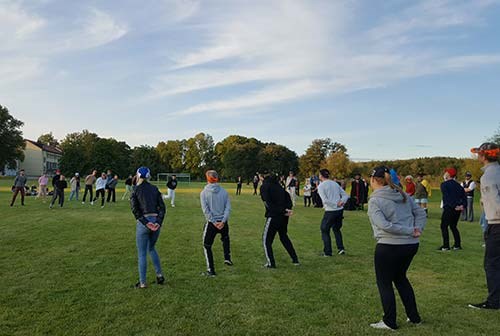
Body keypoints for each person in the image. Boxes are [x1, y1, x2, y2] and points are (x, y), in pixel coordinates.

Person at [367, 166, 426, 330]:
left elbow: (384, 225)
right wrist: (416, 229)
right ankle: (414, 317)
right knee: (400, 278)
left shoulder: (375, 200)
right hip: (410, 245)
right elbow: (420, 214)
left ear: (373, 180)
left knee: (384, 283)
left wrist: (413, 230)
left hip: (389, 246)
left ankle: (389, 321)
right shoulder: (403, 194)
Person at [468, 142, 500, 310]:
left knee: (492, 263)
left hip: (497, 224)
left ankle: (495, 301)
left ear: (484, 156)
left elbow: (495, 203)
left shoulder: (488, 176)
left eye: (479, 153)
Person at [130, 166, 166, 288]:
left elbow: (135, 210)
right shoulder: (155, 189)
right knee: (151, 248)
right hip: (155, 221)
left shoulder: (135, 190)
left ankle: (142, 282)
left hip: (144, 223)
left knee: (142, 253)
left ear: (138, 175)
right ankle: (159, 275)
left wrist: (146, 222)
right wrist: (158, 222)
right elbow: (162, 208)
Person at [260, 171, 299, 268]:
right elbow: (288, 198)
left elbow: (268, 204)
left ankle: (271, 263)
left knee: (266, 240)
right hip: (283, 216)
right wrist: (287, 210)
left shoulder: (265, 187)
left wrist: (281, 211)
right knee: (283, 236)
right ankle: (295, 259)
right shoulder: (279, 187)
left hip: (274, 215)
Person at [200, 170, 232, 277]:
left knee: (206, 245)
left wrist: (214, 222)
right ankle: (227, 258)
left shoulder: (204, 193)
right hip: (223, 222)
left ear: (208, 179)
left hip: (212, 224)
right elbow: (228, 208)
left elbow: (205, 210)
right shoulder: (224, 191)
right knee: (225, 238)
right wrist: (223, 221)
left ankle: (211, 270)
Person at [318, 169, 349, 256]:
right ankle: (340, 248)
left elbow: (325, 200)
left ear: (321, 176)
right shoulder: (335, 183)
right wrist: (341, 202)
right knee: (336, 229)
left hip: (331, 211)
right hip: (339, 211)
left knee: (324, 230)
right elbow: (346, 195)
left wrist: (336, 204)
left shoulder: (321, 186)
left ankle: (327, 252)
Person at [438, 168, 467, 251]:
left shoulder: (444, 184)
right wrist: (462, 206)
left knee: (444, 226)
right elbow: (464, 197)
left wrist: (454, 206)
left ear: (448, 174)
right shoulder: (459, 186)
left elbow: (447, 197)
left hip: (449, 208)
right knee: (453, 226)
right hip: (458, 209)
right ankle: (457, 244)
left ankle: (446, 245)